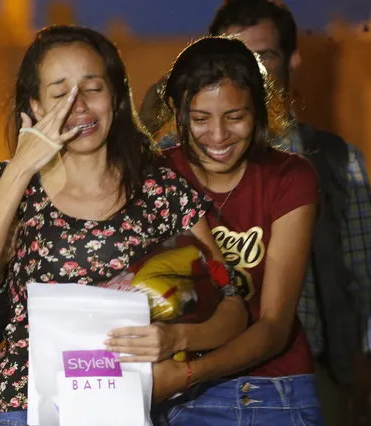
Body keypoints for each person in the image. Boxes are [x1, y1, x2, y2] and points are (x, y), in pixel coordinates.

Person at [0, 25, 248, 426]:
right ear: (35, 108)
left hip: (127, 406)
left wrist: (177, 338)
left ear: (115, 95)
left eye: (93, 88)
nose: (80, 107)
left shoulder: (159, 187)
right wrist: (20, 168)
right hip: (30, 408)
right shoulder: (7, 184)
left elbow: (232, 306)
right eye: (60, 94)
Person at [207, 2, 371, 425]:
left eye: (266, 56)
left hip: (309, 375)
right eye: (238, 58)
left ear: (293, 58)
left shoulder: (333, 162)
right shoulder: (181, 160)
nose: (252, 72)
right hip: (204, 384)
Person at [134, 36, 321, 425]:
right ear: (177, 112)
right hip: (168, 396)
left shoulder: (290, 177)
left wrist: (190, 373)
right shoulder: (154, 175)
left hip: (270, 391)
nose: (218, 136)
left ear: (260, 112)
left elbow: (273, 326)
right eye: (200, 119)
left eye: (235, 117)